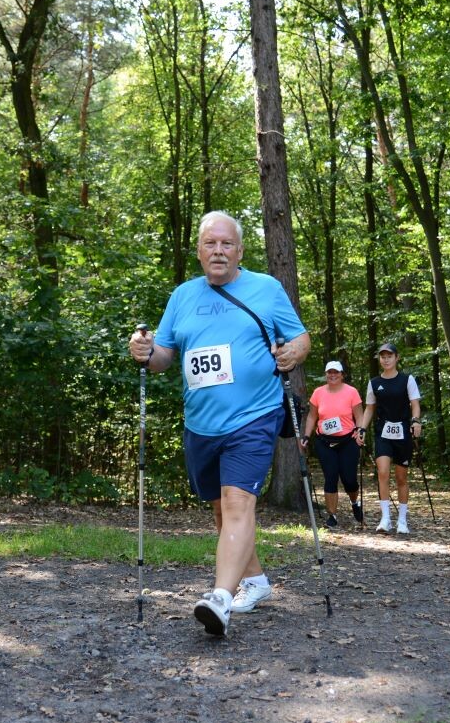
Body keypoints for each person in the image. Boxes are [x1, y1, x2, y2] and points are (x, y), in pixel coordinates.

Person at [128, 211, 310, 636]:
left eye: (227, 244)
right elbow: (163, 357)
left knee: (237, 503)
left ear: (240, 250)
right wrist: (144, 351)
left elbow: (301, 338)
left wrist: (294, 353)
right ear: (199, 251)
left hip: (255, 415)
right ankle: (256, 581)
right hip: (201, 424)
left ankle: (220, 599)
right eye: (211, 244)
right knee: (220, 508)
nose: (219, 251)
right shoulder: (182, 296)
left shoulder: (266, 288)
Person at [356, 343, 422, 534]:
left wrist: (416, 421)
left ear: (397, 358)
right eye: (383, 356)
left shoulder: (407, 380)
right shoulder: (374, 382)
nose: (386, 360)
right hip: (383, 433)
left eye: (389, 356)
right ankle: (385, 519)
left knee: (401, 477)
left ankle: (402, 520)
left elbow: (415, 404)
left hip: (403, 433)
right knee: (383, 472)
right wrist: (362, 429)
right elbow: (369, 408)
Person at [300, 361, 364, 528]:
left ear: (342, 374)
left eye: (336, 372)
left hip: (348, 441)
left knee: (349, 479)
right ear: (326, 374)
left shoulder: (351, 392)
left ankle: (354, 502)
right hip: (324, 442)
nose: (333, 375)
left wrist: (360, 431)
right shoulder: (318, 393)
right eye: (330, 372)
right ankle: (332, 515)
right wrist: (306, 435)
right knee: (330, 477)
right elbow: (312, 416)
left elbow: (360, 415)